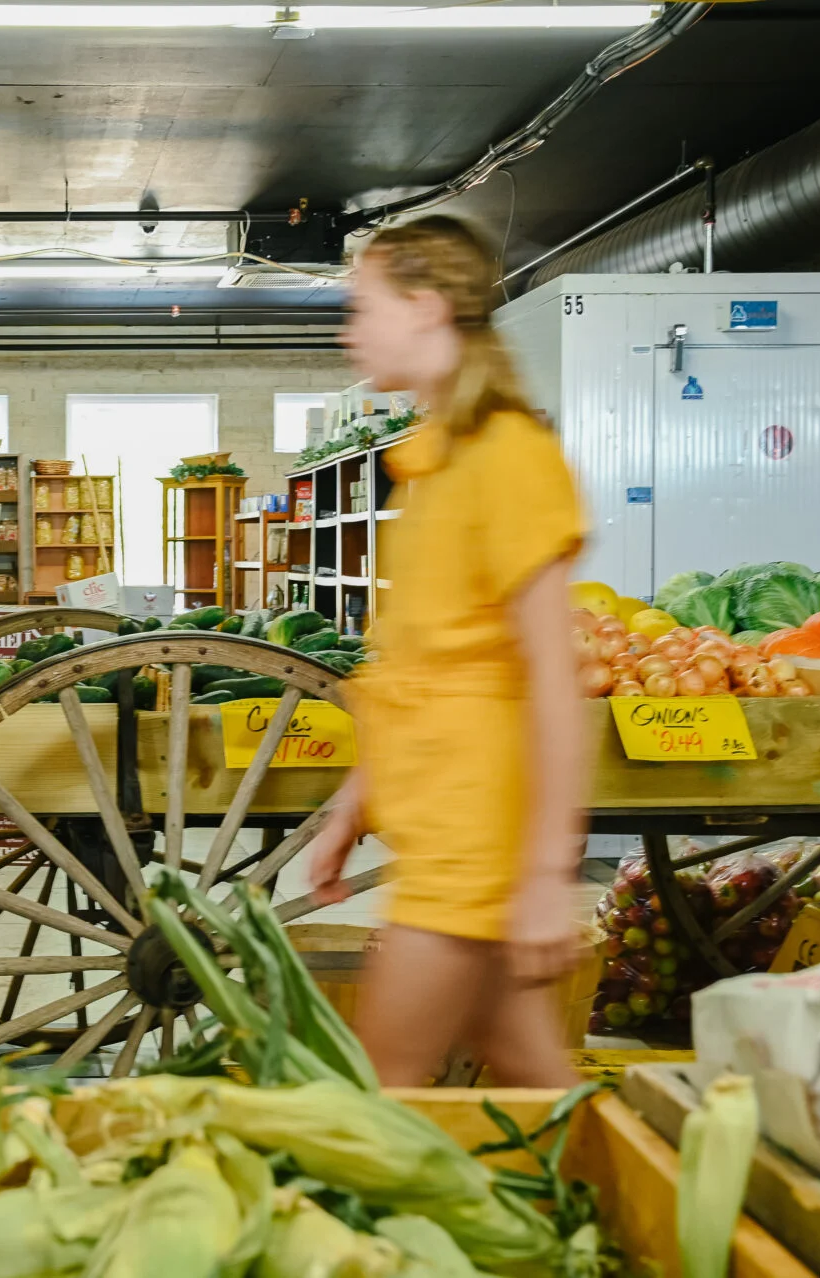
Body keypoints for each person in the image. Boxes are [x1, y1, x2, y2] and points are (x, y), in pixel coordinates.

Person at [302, 215, 588, 1088]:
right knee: (530, 1071)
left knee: (383, 1083)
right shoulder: (441, 462)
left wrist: (546, 874)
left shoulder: (511, 460)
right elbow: (421, 667)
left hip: (477, 833)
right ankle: (654, 1211)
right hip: (443, 815)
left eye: (364, 305)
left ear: (425, 310)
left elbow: (554, 683)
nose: (351, 329)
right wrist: (358, 800)